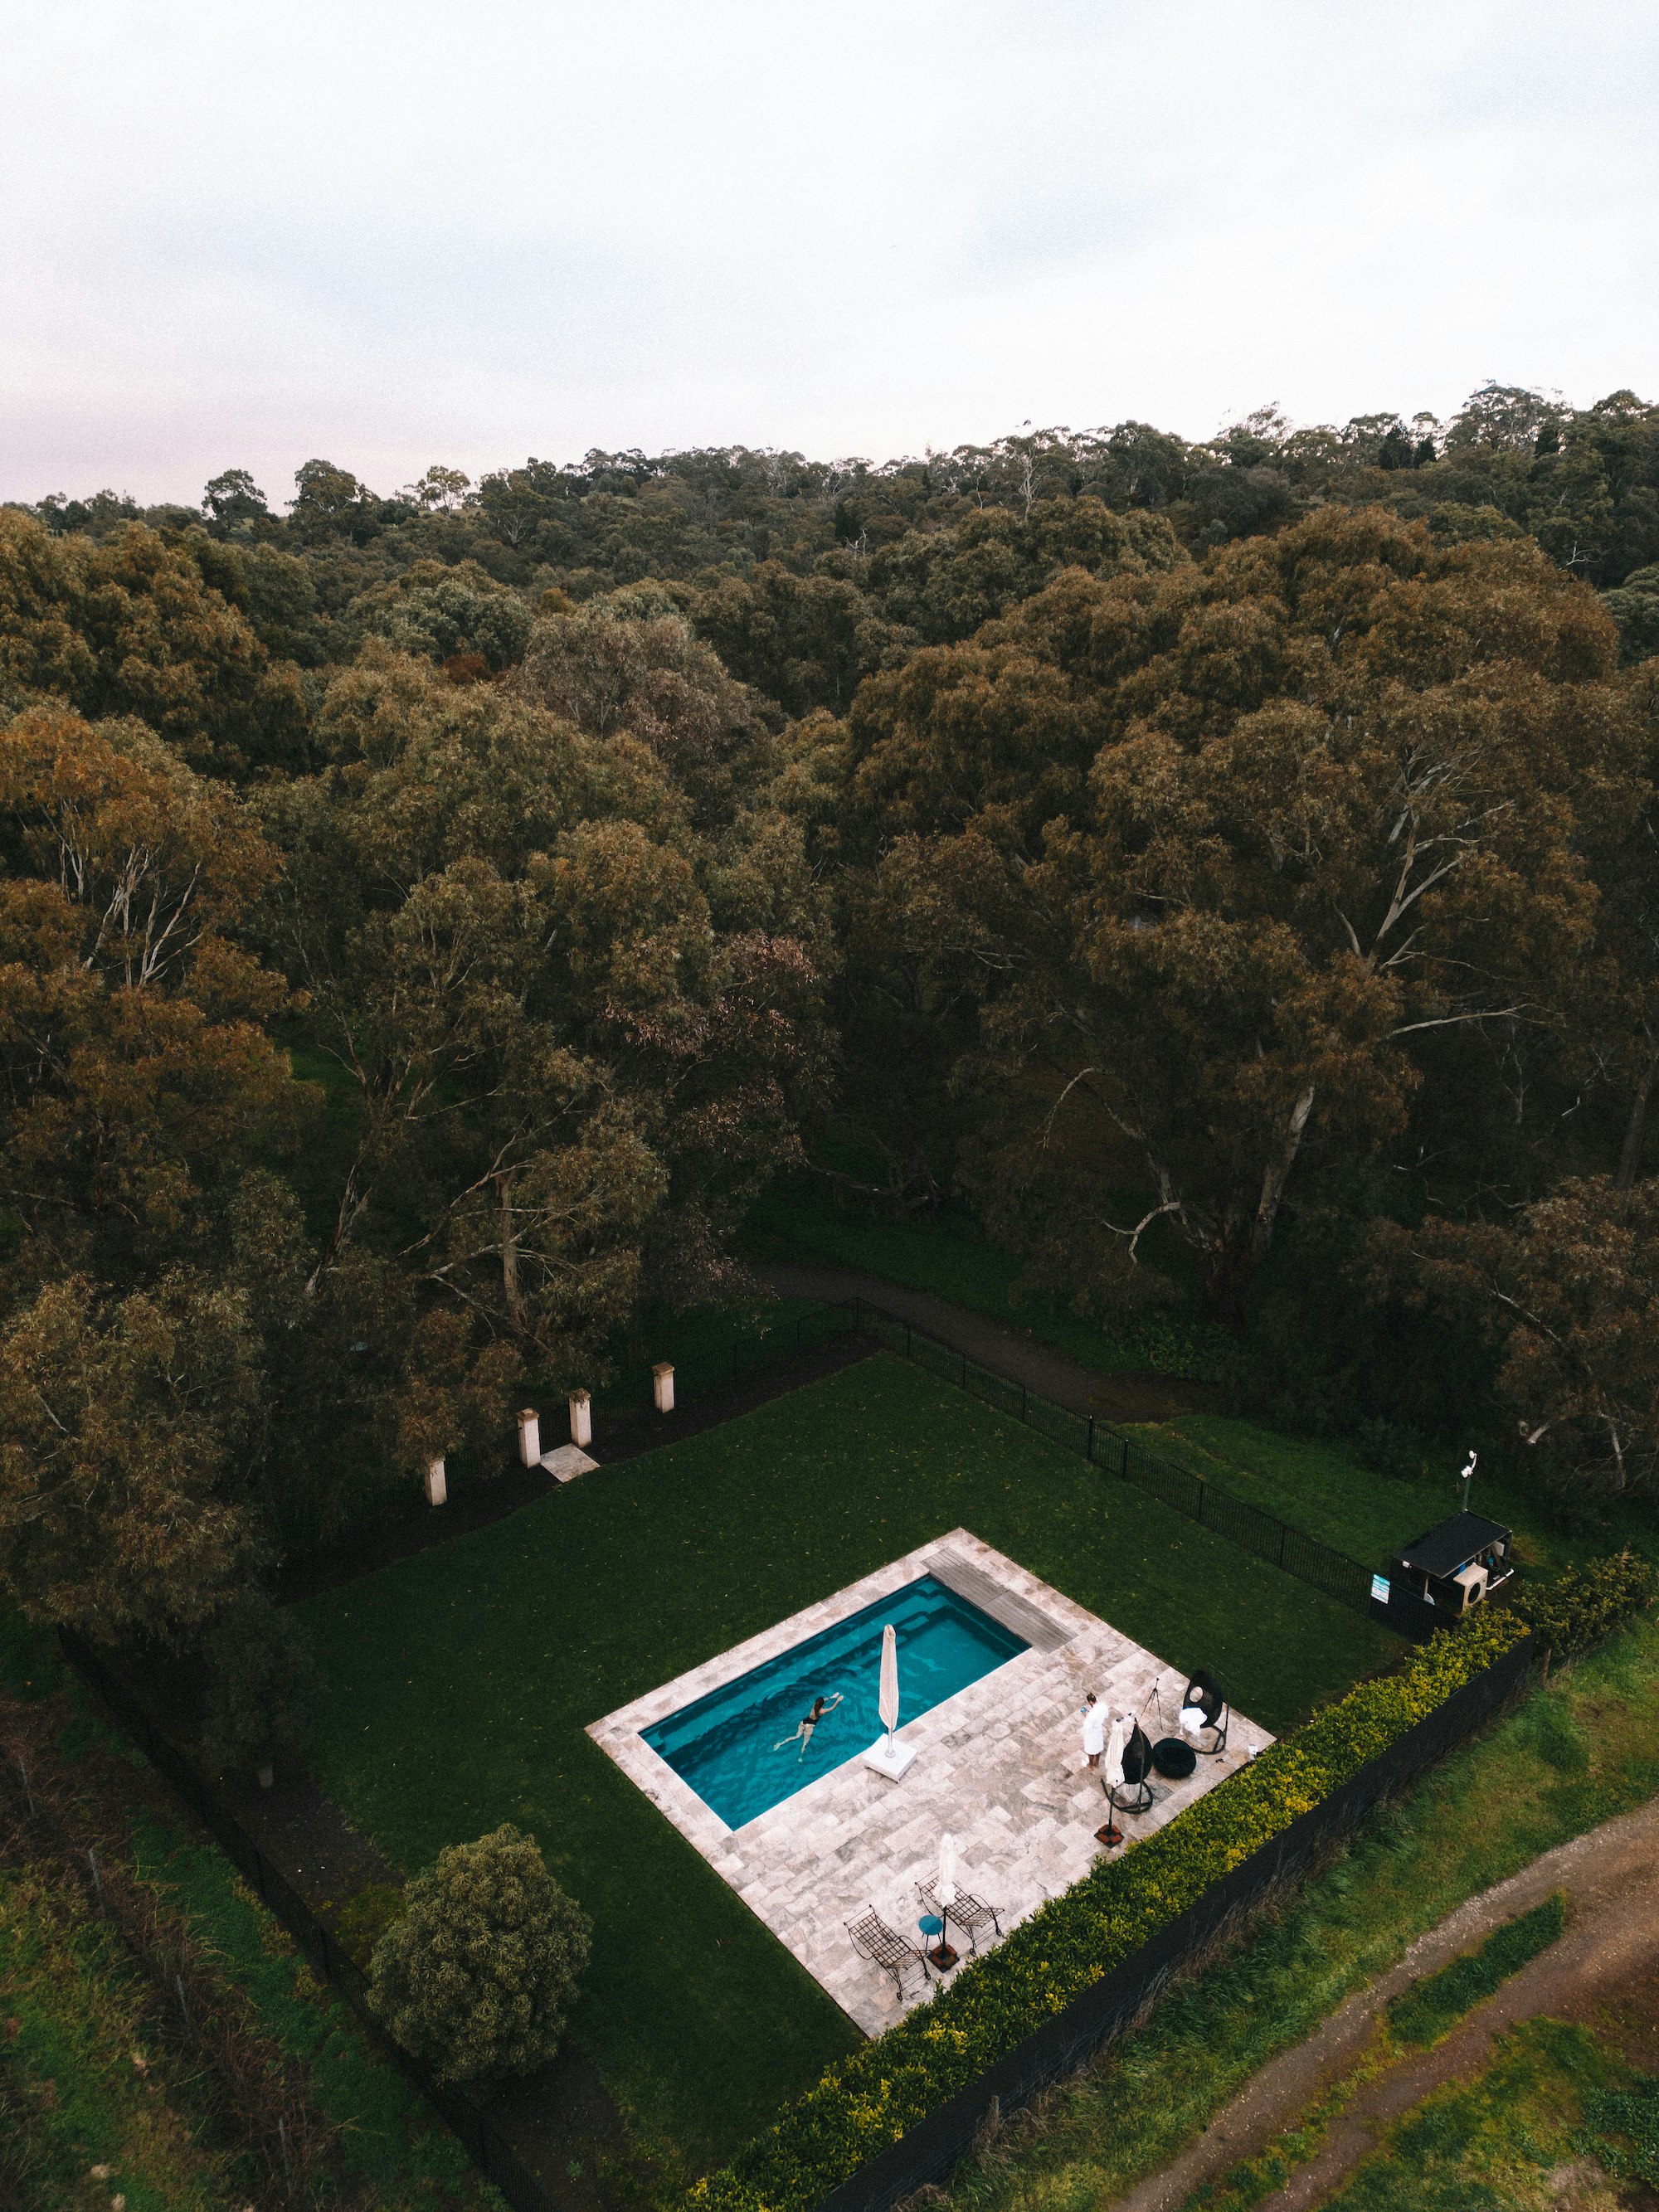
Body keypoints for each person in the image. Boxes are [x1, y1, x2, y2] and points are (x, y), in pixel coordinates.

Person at [775, 1691, 843, 1759]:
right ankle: (800, 1757)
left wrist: (831, 1697)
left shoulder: (815, 1705)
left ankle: (780, 1744)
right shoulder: (822, 1711)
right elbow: (832, 1708)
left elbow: (823, 1700)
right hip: (809, 1727)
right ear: (822, 1705)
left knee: (796, 1737)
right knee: (805, 1743)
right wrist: (838, 1700)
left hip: (803, 1722)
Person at [1082, 1690, 1106, 1770]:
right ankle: (1097, 1762)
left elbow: (1088, 1724)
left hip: (1092, 1732)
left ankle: (1090, 1765)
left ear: (1091, 1702)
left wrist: (1086, 1715)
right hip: (1099, 1730)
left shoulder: (1092, 1714)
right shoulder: (1102, 1707)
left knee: (1091, 1749)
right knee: (1098, 1746)